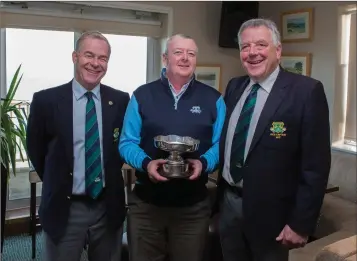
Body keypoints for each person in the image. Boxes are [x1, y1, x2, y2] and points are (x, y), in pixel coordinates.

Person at [215, 18, 331, 261]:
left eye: (260, 45)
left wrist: (301, 224)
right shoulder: (235, 87)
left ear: (278, 51)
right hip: (229, 207)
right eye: (245, 47)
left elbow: (315, 167)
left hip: (274, 219)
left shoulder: (306, 92)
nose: (252, 53)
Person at [119, 34, 226, 261]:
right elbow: (127, 142)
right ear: (165, 58)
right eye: (178, 52)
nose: (185, 58)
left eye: (191, 53)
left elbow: (221, 144)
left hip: (193, 209)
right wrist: (147, 164)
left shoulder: (214, 99)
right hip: (146, 206)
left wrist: (204, 163)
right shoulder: (142, 95)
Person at [26, 31, 130, 261]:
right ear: (75, 56)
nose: (95, 63)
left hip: (107, 207)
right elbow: (36, 149)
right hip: (66, 207)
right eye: (89, 55)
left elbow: (119, 149)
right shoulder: (46, 101)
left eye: (102, 58)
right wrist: (60, 179)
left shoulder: (121, 101)